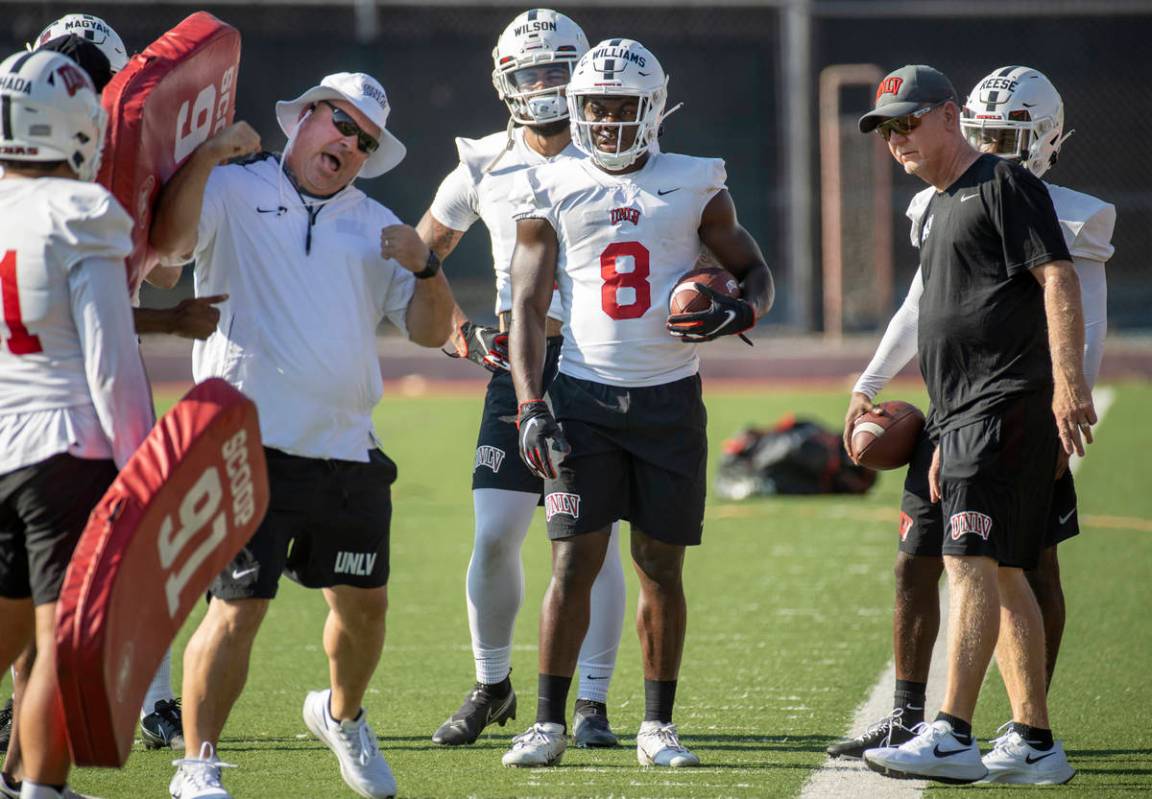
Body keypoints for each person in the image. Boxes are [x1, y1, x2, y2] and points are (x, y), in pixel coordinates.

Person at [150, 71, 453, 799]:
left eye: (364, 140)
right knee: (238, 606)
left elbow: (430, 330)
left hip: (346, 451)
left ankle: (341, 716)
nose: (349, 144)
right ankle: (198, 765)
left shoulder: (376, 222)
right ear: (305, 118)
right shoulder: (228, 186)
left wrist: (429, 263)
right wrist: (205, 158)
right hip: (241, 447)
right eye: (341, 125)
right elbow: (166, 259)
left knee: (364, 609)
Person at [829, 66, 1114, 769]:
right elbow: (930, 311)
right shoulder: (940, 201)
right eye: (887, 129)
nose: (897, 141)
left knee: (974, 561)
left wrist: (1071, 385)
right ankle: (1033, 739)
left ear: (949, 117)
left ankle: (953, 730)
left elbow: (1062, 281)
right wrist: (911, 403)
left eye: (909, 123)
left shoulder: (1007, 185)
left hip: (1005, 404)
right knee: (1004, 567)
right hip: (963, 411)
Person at [502, 38, 773, 769]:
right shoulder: (550, 182)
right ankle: (548, 723)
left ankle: (657, 724)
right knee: (572, 562)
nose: (610, 122)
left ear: (655, 110)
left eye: (624, 108)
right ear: (575, 109)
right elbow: (525, 306)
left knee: (661, 566)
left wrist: (741, 312)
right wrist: (531, 402)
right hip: (583, 399)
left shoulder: (695, 181)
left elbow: (753, 271)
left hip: (669, 402)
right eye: (596, 107)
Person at [419, 8, 627, 749]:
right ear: (506, 82)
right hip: (519, 366)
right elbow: (419, 257)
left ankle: (594, 702)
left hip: (599, 363)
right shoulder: (483, 164)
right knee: (495, 533)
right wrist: (454, 331)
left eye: (556, 71)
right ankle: (493, 682)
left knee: (589, 539)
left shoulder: (617, 149)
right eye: (531, 72)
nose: (543, 85)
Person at [0, 49, 153, 799]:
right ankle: (42, 790)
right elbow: (110, 359)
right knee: (59, 642)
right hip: (65, 447)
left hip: (1, 445)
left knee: (6, 631)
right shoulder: (80, 210)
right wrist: (143, 470)